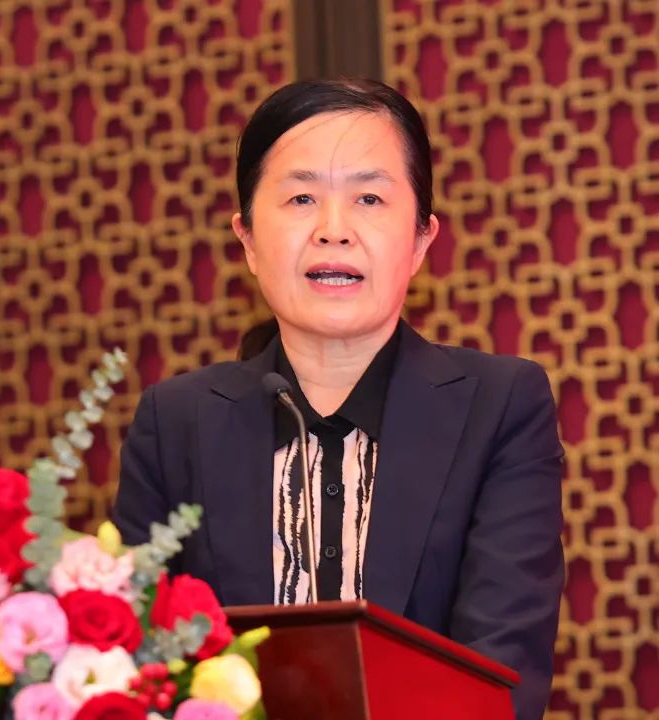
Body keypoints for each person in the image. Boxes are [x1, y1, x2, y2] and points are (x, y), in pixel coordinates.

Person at [113, 79, 564, 720]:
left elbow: (500, 676)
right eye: (301, 197)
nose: (333, 230)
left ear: (420, 240)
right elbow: (137, 668)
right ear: (247, 238)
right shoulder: (175, 422)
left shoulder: (500, 408)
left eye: (369, 198)